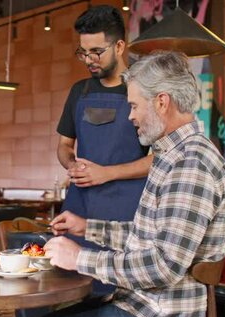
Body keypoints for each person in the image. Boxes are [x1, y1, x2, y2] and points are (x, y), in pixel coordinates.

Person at [5, 51, 225, 317]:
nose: (130, 116)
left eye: (135, 105)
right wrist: (89, 228)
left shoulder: (191, 163)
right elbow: (150, 239)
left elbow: (162, 266)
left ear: (162, 102)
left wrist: (80, 258)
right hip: (142, 309)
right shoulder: (172, 156)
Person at [57, 5, 153, 295]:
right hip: (80, 201)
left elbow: (158, 159)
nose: (89, 60)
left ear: (120, 45)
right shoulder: (80, 91)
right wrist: (71, 164)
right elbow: (63, 145)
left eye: (96, 52)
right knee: (63, 281)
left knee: (113, 289)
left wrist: (106, 173)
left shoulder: (142, 90)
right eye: (83, 52)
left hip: (125, 208)